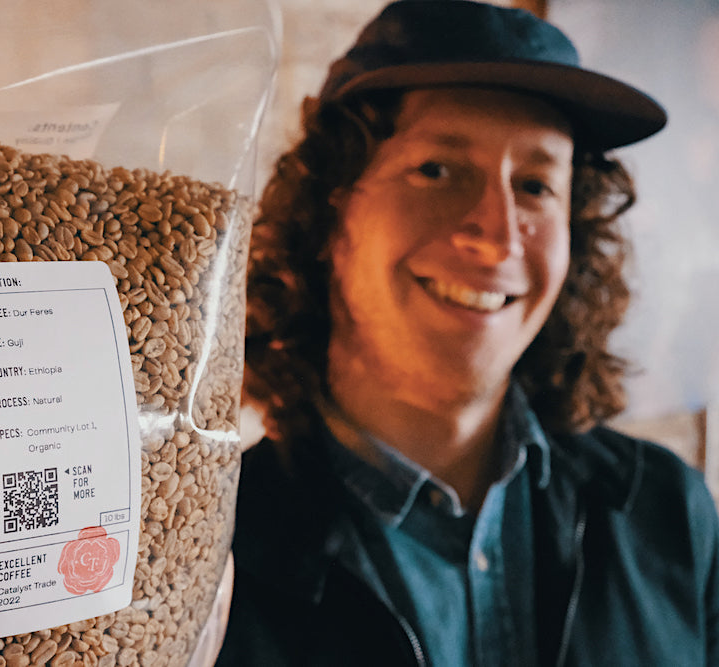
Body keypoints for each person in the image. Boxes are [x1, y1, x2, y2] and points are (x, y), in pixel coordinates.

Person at [214, 1, 719, 665]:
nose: (498, 234)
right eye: (438, 169)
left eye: (537, 184)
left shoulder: (667, 509)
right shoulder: (214, 547)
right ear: (330, 209)